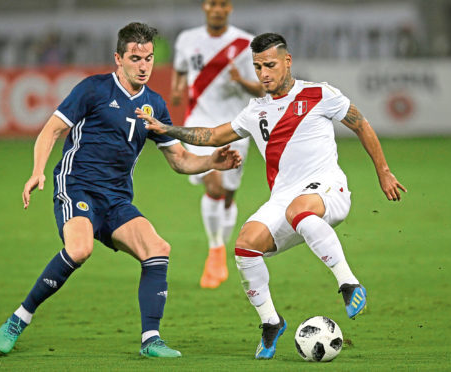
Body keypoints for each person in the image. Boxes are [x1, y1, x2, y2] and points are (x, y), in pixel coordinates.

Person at [138, 32, 407, 360]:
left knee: (299, 211)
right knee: (245, 246)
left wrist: (384, 171)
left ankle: (349, 284)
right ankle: (271, 322)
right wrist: (168, 129)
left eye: (270, 65)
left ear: (287, 62)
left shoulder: (319, 94)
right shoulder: (255, 111)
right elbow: (211, 135)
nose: (263, 73)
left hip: (327, 189)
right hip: (284, 199)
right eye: (257, 67)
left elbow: (360, 124)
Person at [0, 22, 241, 358]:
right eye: (136, 58)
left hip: (116, 199)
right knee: (80, 250)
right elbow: (51, 131)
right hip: (77, 186)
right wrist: (37, 171)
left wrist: (212, 160)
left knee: (158, 248)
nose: (144, 65)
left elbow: (180, 161)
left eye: (149, 58)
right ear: (119, 59)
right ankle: (19, 318)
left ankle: (150, 339)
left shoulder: (154, 104)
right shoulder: (93, 90)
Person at [171, 0, 264, 289]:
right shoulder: (187, 39)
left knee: (228, 196)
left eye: (222, 4)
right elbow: (181, 70)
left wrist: (241, 81)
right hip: (199, 124)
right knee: (214, 185)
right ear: (205, 7)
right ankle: (215, 250)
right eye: (213, 4)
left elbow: (262, 87)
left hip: (236, 126)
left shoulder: (246, 43)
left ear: (229, 8)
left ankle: (220, 251)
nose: (217, 9)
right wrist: (176, 89)